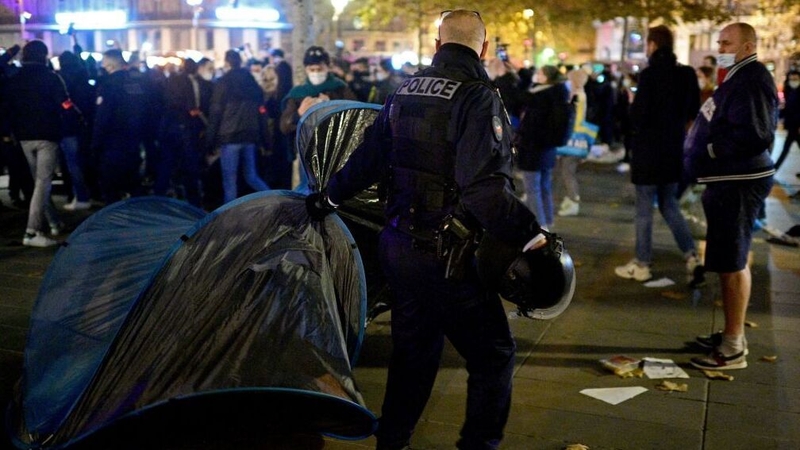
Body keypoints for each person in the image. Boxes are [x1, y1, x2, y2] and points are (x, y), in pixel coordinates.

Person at [307, 10, 546, 449]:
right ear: (485, 49)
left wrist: (328, 199)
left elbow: (367, 160)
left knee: (413, 355)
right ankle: (478, 445)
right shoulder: (478, 96)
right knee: (493, 354)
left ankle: (392, 440)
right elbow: (485, 192)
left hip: (399, 246)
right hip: (451, 256)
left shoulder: (405, 91)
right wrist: (532, 236)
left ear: (438, 46)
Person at [684, 22, 777, 370]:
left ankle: (734, 345)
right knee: (728, 259)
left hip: (738, 182)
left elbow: (755, 134)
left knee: (734, 260)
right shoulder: (737, 76)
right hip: (728, 181)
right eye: (719, 41)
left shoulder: (751, 79)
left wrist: (707, 150)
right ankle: (729, 334)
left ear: (748, 46)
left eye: (728, 42)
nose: (720, 46)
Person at [614, 25, 702, 284]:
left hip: (648, 153)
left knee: (644, 209)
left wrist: (632, 104)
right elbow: (693, 111)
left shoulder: (650, 75)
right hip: (673, 151)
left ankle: (642, 263)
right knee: (669, 204)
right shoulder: (686, 74)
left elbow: (638, 116)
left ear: (652, 45)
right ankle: (692, 257)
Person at [2, 40, 66, 246]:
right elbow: (64, 104)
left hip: (23, 135)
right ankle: (32, 231)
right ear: (44, 55)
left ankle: (53, 221)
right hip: (47, 134)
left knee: (39, 182)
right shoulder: (51, 77)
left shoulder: (14, 78)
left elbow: (8, 106)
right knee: (43, 182)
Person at [279, 46, 356, 189]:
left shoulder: (340, 89)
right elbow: (284, 126)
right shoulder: (298, 93)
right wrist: (299, 114)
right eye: (312, 70)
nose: (315, 73)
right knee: (308, 189)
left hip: (336, 150)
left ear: (327, 67)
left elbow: (355, 118)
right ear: (306, 70)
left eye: (319, 69)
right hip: (307, 150)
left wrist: (334, 106)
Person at [206, 49, 270, 204]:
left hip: (229, 136)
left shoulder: (223, 82)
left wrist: (210, 142)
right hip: (250, 135)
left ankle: (230, 218)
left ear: (227, 62)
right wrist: (265, 139)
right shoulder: (251, 82)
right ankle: (275, 199)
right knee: (251, 176)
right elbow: (261, 110)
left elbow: (216, 113)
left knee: (230, 181)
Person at [515, 65, 571, 230]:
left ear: (547, 77)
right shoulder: (558, 94)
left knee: (532, 189)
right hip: (548, 149)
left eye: (540, 73)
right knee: (544, 187)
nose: (536, 75)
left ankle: (541, 225)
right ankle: (548, 220)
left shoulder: (541, 96)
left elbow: (518, 98)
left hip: (533, 148)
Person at [92, 49, 150, 204]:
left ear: (110, 64)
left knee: (111, 189)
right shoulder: (135, 84)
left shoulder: (108, 84)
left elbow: (102, 118)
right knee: (133, 185)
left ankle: (115, 224)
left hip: (112, 144)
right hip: (133, 143)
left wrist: (95, 145)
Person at [57, 50, 96, 211]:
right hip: (85, 125)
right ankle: (91, 192)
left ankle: (80, 196)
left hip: (67, 126)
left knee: (73, 163)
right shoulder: (84, 78)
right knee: (84, 161)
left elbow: (63, 102)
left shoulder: (61, 79)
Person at [557, 68, 589, 217]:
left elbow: (571, 116)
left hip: (571, 136)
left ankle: (573, 200)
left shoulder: (575, 95)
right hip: (576, 136)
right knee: (567, 170)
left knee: (567, 170)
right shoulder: (581, 93)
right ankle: (571, 198)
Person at [775, 69, 799, 171]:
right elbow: (787, 109)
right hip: (792, 126)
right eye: (791, 79)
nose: (793, 81)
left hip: (797, 127)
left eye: (796, 79)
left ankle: (775, 168)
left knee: (785, 148)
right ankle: (775, 168)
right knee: (785, 148)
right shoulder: (789, 92)